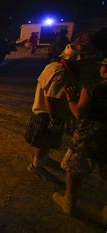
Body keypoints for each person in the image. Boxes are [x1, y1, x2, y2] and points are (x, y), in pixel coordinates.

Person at [52, 58, 107, 215]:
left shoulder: (92, 88)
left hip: (90, 135)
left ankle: (69, 202)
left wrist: (71, 99)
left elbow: (79, 112)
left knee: (75, 168)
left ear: (104, 69)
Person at [25, 44, 81, 177]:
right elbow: (51, 99)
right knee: (44, 144)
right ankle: (36, 166)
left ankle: (40, 160)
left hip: (41, 110)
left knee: (40, 143)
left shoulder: (53, 65)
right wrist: (55, 120)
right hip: (47, 114)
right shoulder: (62, 73)